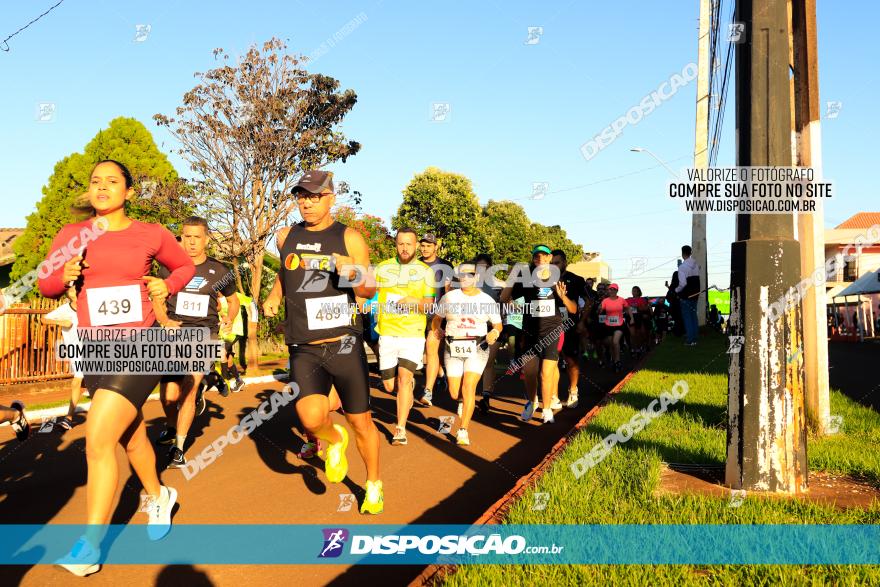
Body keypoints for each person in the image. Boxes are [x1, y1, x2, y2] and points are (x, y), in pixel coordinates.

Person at [39, 160, 195, 576]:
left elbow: (184, 266)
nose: (102, 187)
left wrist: (168, 284)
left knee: (97, 437)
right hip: (96, 350)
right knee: (129, 436)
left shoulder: (151, 234)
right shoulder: (73, 235)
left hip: (142, 346)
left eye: (112, 182)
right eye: (96, 182)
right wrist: (62, 274)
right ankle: (159, 495)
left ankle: (89, 546)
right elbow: (45, 284)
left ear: (128, 192)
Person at [263, 169, 383, 514]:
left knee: (361, 421)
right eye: (301, 196)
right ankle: (334, 439)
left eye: (314, 196)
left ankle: (373, 482)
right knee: (310, 418)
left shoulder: (350, 238)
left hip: (344, 342)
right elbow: (285, 274)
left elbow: (369, 289)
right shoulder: (286, 235)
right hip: (303, 345)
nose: (307, 203)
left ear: (331, 198)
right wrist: (274, 296)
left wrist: (352, 273)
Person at [153, 216, 240, 469]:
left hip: (204, 334)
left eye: (196, 237)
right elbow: (157, 299)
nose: (190, 242)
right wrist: (163, 320)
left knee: (188, 391)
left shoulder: (220, 271)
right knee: (168, 396)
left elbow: (233, 301)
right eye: (186, 237)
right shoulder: (168, 268)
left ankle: (178, 449)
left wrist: (229, 319)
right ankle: (171, 427)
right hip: (172, 333)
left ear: (207, 240)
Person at [501, 245, 577, 424]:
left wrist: (563, 297)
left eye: (544, 256)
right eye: (537, 257)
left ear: (550, 258)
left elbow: (573, 309)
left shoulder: (558, 280)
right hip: (530, 333)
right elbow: (504, 298)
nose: (540, 260)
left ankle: (547, 408)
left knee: (546, 373)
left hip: (552, 332)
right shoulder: (526, 279)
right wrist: (512, 278)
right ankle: (531, 401)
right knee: (529, 371)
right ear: (533, 259)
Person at [375, 228, 435, 445]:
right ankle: (406, 394)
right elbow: (371, 295)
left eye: (409, 243)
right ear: (396, 244)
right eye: (401, 243)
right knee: (390, 386)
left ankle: (400, 428)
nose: (405, 248)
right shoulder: (383, 268)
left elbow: (429, 304)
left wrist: (413, 301)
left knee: (404, 378)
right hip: (388, 333)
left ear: (416, 245)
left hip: (412, 333)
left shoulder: (425, 272)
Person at [432, 262, 502, 445]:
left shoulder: (486, 300)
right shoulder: (449, 297)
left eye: (470, 274)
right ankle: (463, 402)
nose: (465, 278)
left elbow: (497, 324)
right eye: (462, 275)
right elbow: (437, 319)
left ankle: (463, 430)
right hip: (452, 347)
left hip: (477, 346)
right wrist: (437, 329)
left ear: (477, 277)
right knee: (455, 393)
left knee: (469, 386)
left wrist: (494, 333)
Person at [41, 288, 88, 430]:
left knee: (77, 381)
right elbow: (43, 319)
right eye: (71, 290)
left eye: (76, 289)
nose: (74, 292)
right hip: (76, 350)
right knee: (78, 380)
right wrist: (61, 322)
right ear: (67, 294)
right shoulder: (64, 309)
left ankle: (68, 419)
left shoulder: (89, 306)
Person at [418, 232, 452, 406]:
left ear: (435, 247)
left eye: (428, 245)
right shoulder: (415, 264)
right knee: (423, 354)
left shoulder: (445, 265)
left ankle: (428, 392)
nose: (425, 248)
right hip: (417, 313)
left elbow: (448, 292)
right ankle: (439, 373)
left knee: (431, 351)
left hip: (437, 314)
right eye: (422, 245)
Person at [551, 249, 585, 408]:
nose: (554, 266)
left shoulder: (576, 280)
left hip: (570, 324)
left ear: (564, 262)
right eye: (551, 263)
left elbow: (584, 304)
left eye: (557, 263)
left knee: (570, 360)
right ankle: (553, 396)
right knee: (551, 361)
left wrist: (582, 321)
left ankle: (573, 391)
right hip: (550, 324)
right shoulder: (544, 279)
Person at [474, 253, 501, 414]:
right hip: (471, 330)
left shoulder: (497, 286)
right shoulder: (468, 285)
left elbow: (503, 305)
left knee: (489, 363)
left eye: (485, 267)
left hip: (491, 328)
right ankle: (466, 395)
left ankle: (486, 397)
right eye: (479, 267)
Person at [599, 283, 629, 372]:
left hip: (619, 324)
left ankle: (617, 361)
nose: (611, 291)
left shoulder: (621, 300)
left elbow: (627, 308)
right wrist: (599, 309)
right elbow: (601, 309)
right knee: (611, 343)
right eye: (610, 289)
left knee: (615, 342)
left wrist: (631, 318)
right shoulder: (605, 300)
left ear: (617, 290)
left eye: (613, 289)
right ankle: (614, 359)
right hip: (608, 325)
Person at [676, 245, 701, 346]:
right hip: (695, 293)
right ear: (690, 253)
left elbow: (683, 284)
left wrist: (676, 290)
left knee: (687, 317)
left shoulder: (682, 267)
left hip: (685, 295)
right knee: (693, 316)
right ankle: (694, 337)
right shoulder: (695, 264)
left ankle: (690, 340)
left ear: (682, 254)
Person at [626, 286, 651, 358]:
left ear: (639, 292)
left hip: (638, 318)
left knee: (639, 334)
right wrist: (627, 311)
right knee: (632, 334)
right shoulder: (628, 299)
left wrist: (637, 307)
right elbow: (625, 308)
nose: (634, 292)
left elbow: (645, 308)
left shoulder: (641, 299)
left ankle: (639, 347)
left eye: (635, 290)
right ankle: (634, 349)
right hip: (630, 318)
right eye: (633, 290)